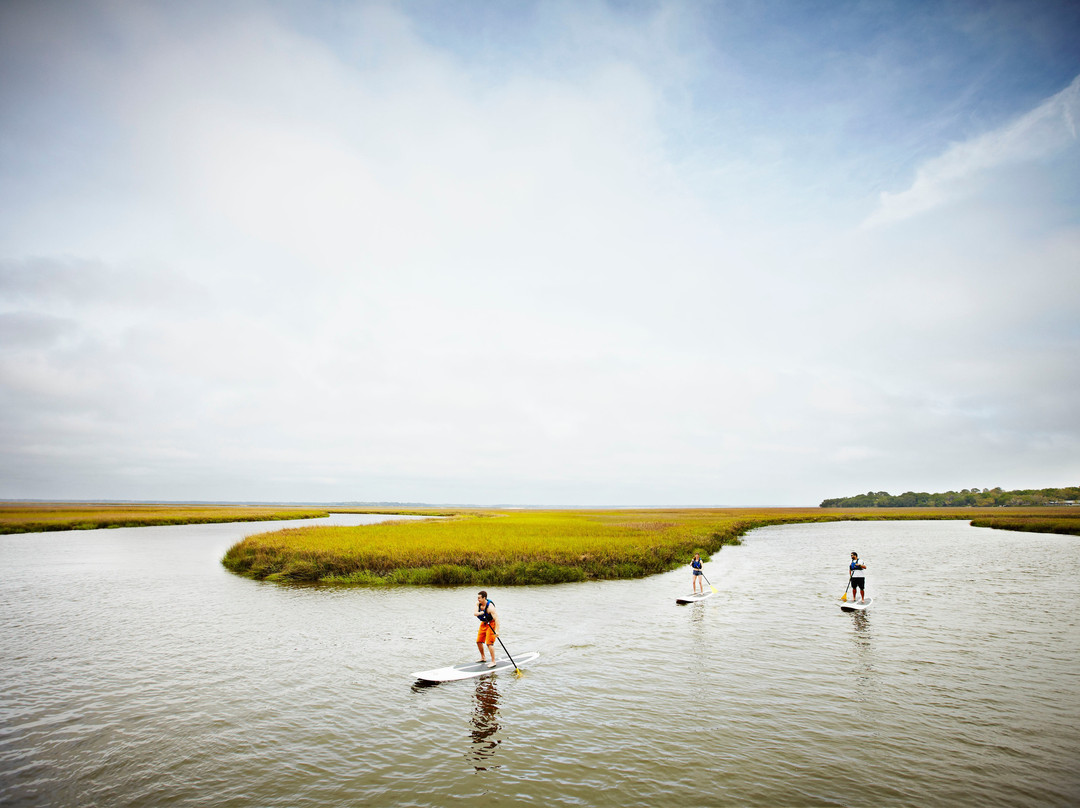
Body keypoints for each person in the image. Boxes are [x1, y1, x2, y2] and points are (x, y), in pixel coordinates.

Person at [474, 590, 500, 668]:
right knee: (478, 641)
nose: (478, 599)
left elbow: (497, 619)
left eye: (479, 598)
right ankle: (483, 657)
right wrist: (480, 613)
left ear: (484, 598)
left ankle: (493, 661)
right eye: (477, 598)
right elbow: (475, 613)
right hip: (484, 623)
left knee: (489, 643)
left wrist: (497, 631)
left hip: (491, 623)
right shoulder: (478, 604)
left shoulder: (490, 607)